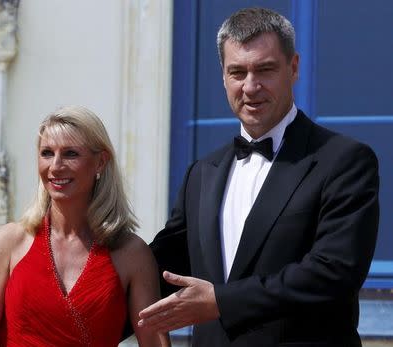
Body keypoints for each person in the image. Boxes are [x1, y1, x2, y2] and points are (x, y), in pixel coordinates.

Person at [138, 7, 379, 347]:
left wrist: (222, 301)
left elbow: (334, 272)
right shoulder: (201, 174)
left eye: (265, 70)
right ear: (222, 76)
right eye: (237, 72)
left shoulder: (344, 161)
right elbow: (157, 271)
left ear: (293, 68)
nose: (251, 87)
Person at [0, 105, 170, 347]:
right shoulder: (8, 242)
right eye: (47, 153)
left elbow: (155, 343)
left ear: (101, 162)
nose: (55, 166)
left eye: (71, 153)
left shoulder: (132, 253)